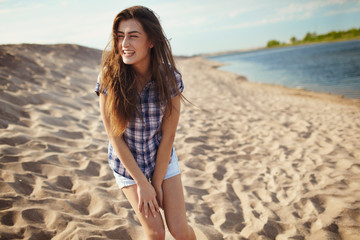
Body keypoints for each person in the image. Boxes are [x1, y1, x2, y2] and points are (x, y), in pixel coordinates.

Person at [95, 6, 196, 240]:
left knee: (179, 230)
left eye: (133, 36)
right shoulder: (109, 77)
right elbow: (114, 136)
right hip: (127, 165)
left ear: (150, 41)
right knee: (156, 232)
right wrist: (143, 183)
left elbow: (168, 136)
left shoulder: (169, 77)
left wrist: (157, 182)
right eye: (120, 36)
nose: (124, 44)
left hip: (160, 156)